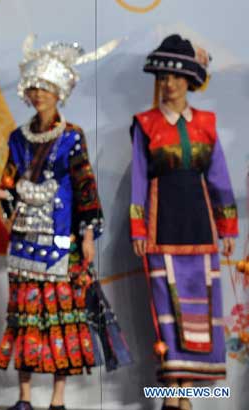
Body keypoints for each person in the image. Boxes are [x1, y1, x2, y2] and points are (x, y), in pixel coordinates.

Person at [0, 37, 103, 410]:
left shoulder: (72, 137)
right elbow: (8, 181)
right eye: (34, 88)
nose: (39, 95)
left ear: (59, 93)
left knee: (59, 316)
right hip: (24, 238)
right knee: (24, 314)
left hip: (60, 234)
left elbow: (85, 186)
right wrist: (0, 196)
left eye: (46, 89)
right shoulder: (18, 138)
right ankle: (23, 396)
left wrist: (87, 233)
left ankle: (57, 397)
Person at [130, 34, 237, 410]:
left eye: (176, 77)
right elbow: (139, 182)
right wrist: (138, 229)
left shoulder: (206, 124)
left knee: (201, 309)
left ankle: (186, 394)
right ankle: (171, 394)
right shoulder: (145, 124)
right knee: (168, 311)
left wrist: (228, 229)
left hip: (202, 229)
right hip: (162, 230)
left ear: (190, 80)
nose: (169, 84)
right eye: (163, 77)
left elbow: (220, 179)